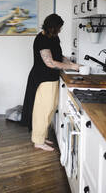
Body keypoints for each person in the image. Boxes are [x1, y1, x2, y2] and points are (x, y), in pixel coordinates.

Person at [20, 14, 80, 151]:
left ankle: (43, 136)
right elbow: (50, 62)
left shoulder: (53, 37)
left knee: (50, 109)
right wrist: (71, 67)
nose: (60, 30)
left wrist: (71, 63)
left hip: (51, 79)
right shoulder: (42, 39)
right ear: (52, 27)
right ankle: (38, 141)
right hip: (42, 79)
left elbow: (58, 56)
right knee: (42, 111)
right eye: (59, 28)